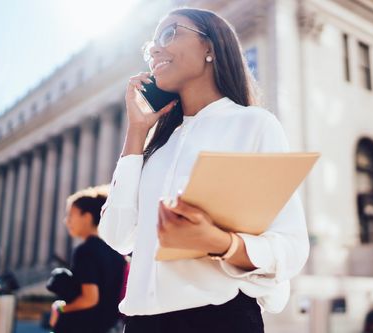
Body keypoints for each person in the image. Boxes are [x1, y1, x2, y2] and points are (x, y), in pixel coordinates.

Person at [98, 7, 310, 333]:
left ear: (209, 47)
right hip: (141, 323)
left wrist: (220, 242)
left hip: (219, 318)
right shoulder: (158, 146)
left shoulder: (253, 125)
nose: (154, 49)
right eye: (150, 45)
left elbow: (291, 248)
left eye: (169, 34)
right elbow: (117, 236)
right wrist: (137, 133)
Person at [49, 186, 126, 333]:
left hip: (85, 326)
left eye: (70, 215)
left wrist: (60, 308)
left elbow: (90, 298)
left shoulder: (85, 251)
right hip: (109, 327)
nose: (66, 221)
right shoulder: (115, 251)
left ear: (87, 217)